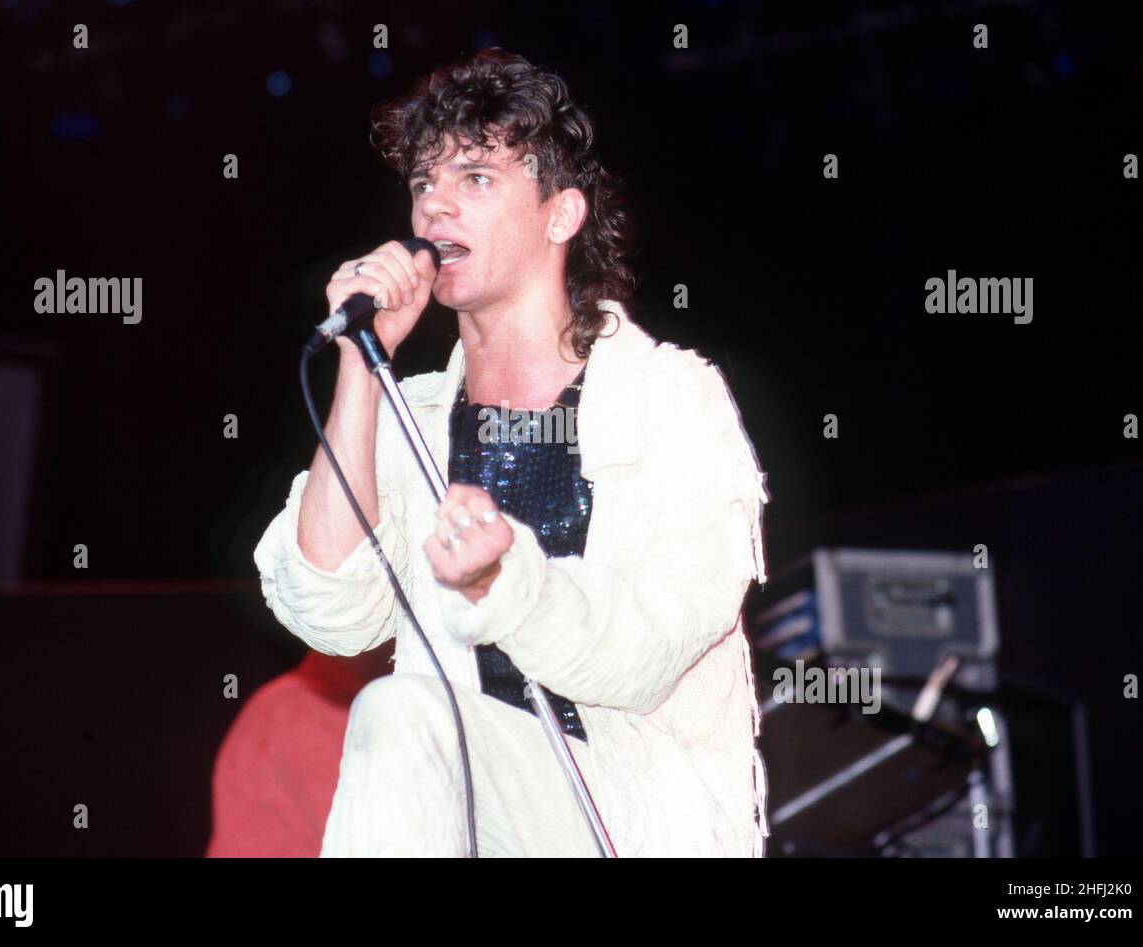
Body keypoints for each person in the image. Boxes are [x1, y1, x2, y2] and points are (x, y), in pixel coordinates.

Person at [254, 48, 771, 857]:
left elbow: (644, 651)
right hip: (478, 816)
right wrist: (363, 363)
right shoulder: (414, 419)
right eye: (424, 184)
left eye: (476, 180)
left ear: (560, 214)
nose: (434, 211)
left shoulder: (672, 398)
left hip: (638, 817)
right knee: (398, 711)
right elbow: (329, 610)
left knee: (402, 711)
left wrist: (506, 581)